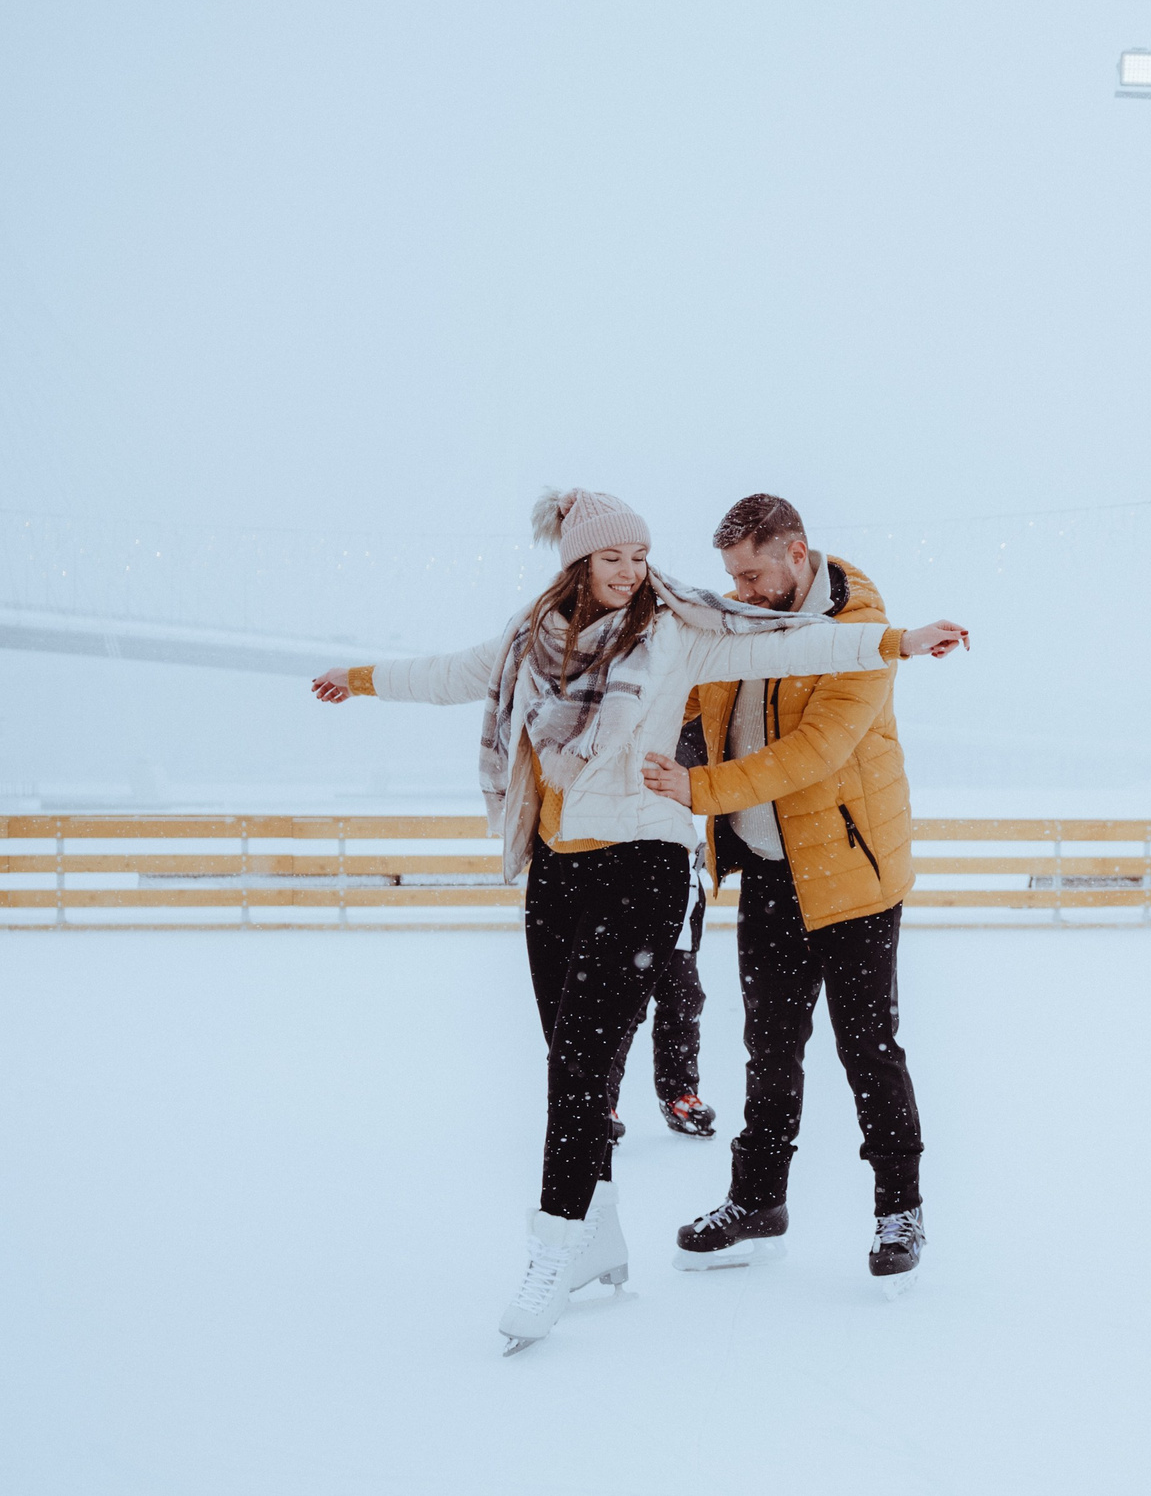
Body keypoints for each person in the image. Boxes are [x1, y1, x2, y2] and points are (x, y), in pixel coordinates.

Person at [309, 488, 967, 1354]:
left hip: (757, 869)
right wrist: (360, 680)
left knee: (848, 1048)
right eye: (614, 558)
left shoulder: (729, 627)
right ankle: (696, 1213)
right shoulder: (551, 637)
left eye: (641, 556)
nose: (634, 572)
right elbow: (460, 674)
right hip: (660, 870)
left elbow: (808, 692)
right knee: (699, 1054)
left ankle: (887, 1210)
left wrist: (898, 642)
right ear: (576, 564)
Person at [637, 493, 928, 1296]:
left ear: (797, 554)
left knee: (868, 1049)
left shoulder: (859, 630)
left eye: (753, 574)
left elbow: (814, 752)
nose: (742, 590)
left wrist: (697, 789)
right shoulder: (741, 620)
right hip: (769, 870)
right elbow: (691, 700)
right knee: (769, 1048)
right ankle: (758, 1201)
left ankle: (899, 1209)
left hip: (851, 876)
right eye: (732, 576)